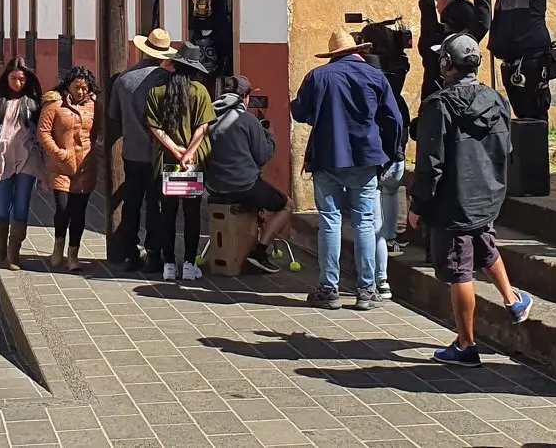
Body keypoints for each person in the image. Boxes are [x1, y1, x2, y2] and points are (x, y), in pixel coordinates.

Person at [412, 33, 535, 365]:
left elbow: (430, 163)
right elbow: (506, 148)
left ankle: (466, 345)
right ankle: (513, 300)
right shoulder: (497, 100)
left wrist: (418, 204)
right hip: (487, 194)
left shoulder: (439, 105)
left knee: (459, 272)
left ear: (446, 64)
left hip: (453, 201)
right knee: (484, 244)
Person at [292, 30, 400, 310]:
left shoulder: (318, 76)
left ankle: (329, 289)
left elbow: (299, 112)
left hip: (327, 156)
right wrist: (389, 153)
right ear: (358, 51)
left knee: (330, 220)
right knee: (365, 222)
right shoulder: (376, 76)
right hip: (366, 157)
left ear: (333, 55)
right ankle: (366, 290)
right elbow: (394, 119)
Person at [202, 75, 290, 274]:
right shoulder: (248, 120)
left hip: (214, 186)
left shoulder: (209, 117)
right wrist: (270, 136)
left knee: (258, 195)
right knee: (287, 205)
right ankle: (259, 252)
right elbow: (262, 156)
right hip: (243, 185)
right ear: (246, 96)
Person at [107, 29, 178, 272]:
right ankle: (154, 254)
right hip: (160, 153)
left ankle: (130, 253)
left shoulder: (124, 79)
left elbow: (114, 114)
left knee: (132, 204)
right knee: (155, 205)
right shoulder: (166, 80)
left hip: (132, 151)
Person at [147, 45, 216, 281]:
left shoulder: (156, 92)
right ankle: (188, 264)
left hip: (167, 162)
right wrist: (188, 154)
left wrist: (174, 150)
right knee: (192, 214)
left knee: (167, 213)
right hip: (193, 163)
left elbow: (155, 127)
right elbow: (203, 127)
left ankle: (168, 264)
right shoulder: (200, 92)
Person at [0, 58, 46, 271]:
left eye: (22, 79)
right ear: (6, 77)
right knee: (2, 207)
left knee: (22, 205)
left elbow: (43, 130)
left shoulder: (33, 102)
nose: (18, 83)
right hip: (0, 159)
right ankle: (1, 245)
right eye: (14, 78)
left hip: (27, 159)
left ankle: (14, 252)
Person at [361, 16, 417, 296]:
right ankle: (392, 236)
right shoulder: (400, 65)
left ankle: (379, 242)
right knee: (392, 189)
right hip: (398, 122)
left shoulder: (369, 70)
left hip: (377, 124)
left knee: (374, 190)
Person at [38, 66, 98, 271]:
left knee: (79, 212)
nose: (80, 91)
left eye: (84, 88)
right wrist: (58, 152)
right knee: (63, 209)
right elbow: (43, 132)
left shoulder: (94, 106)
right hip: (61, 166)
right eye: (76, 87)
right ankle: (58, 245)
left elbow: (96, 131)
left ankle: (73, 254)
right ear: (68, 86)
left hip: (85, 168)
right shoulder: (54, 104)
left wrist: (89, 150)